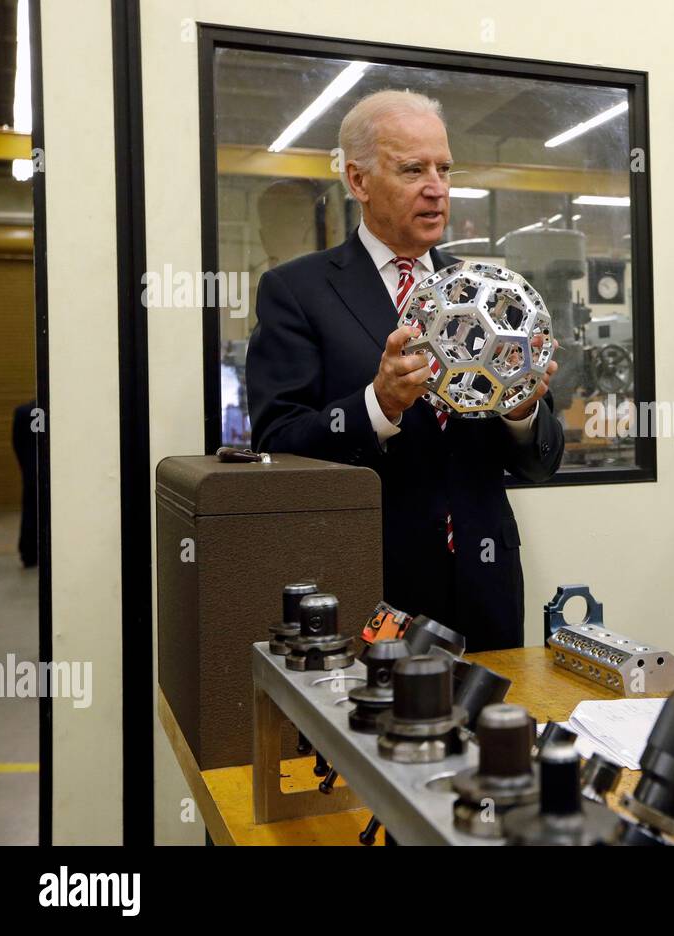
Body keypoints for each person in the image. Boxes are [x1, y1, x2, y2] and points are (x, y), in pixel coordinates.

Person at [247, 90, 564, 651]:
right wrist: (379, 405)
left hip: (487, 588)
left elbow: (540, 466)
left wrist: (522, 412)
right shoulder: (297, 292)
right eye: (413, 169)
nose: (436, 187)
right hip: (373, 591)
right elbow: (277, 445)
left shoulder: (486, 293)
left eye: (444, 169)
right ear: (359, 181)